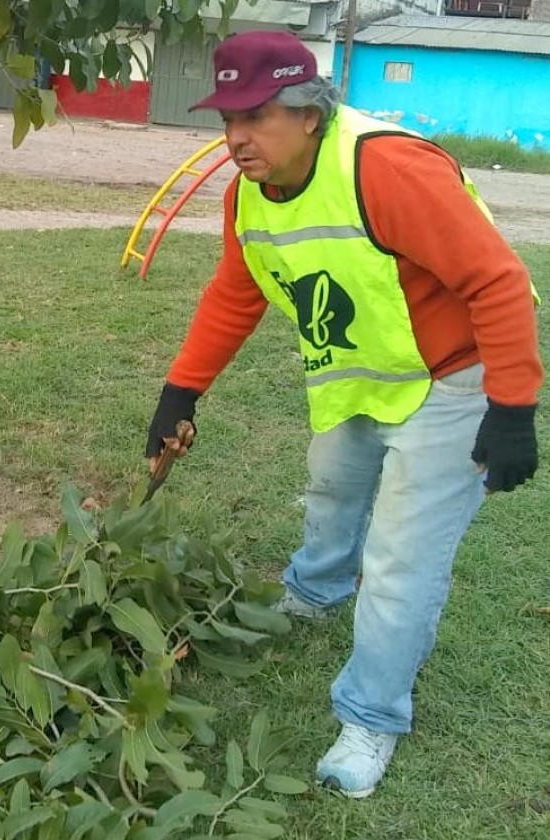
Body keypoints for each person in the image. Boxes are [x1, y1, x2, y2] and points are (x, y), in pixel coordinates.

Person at [145, 29, 542, 799]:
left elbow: (496, 280)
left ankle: (371, 717)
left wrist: (514, 405)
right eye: (226, 118)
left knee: (399, 565)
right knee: (331, 486)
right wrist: (182, 389)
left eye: (255, 117)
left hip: (453, 378)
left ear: (309, 114)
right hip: (363, 370)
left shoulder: (387, 169)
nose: (235, 138)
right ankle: (317, 591)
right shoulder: (246, 196)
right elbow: (239, 289)